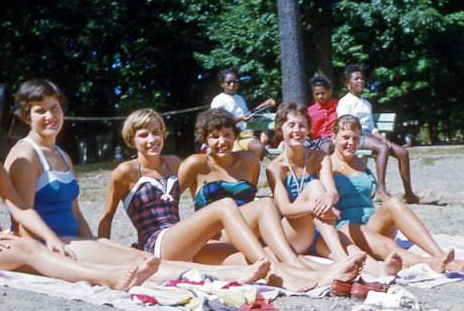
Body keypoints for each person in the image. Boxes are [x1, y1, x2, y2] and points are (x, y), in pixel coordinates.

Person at [3, 80, 267, 286]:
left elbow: (76, 212)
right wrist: (41, 258)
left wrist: (95, 242)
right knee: (142, 259)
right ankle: (229, 274)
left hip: (78, 239)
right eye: (40, 111)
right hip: (55, 244)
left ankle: (244, 270)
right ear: (27, 116)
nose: (50, 116)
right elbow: (23, 218)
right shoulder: (26, 155)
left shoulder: (63, 156)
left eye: (55, 108)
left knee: (146, 260)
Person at [99, 108, 353, 291]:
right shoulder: (126, 171)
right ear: (132, 138)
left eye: (156, 133)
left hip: (185, 243)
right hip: (156, 243)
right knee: (224, 205)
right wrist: (105, 254)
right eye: (144, 135)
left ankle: (315, 273)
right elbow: (107, 215)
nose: (152, 139)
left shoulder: (174, 163)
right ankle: (283, 272)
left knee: (249, 257)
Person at [0, 95, 154, 291]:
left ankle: (115, 272)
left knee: (41, 257)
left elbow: (21, 208)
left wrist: (51, 239)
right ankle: (107, 278)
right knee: (29, 248)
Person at [179, 108, 364, 282]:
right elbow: (170, 199)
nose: (222, 142)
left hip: (249, 233)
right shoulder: (195, 163)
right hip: (217, 236)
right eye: (214, 137)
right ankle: (313, 270)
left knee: (311, 191)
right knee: (267, 212)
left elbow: (249, 201)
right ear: (204, 138)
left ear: (235, 136)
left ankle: (339, 267)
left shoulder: (249, 161)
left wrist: (328, 199)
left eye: (227, 135)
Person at [266, 103, 401, 277]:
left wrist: (329, 198)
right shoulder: (275, 167)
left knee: (348, 246)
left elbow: (332, 192)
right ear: (280, 130)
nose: (297, 130)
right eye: (291, 125)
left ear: (308, 129)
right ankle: (341, 259)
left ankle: (378, 269)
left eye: (302, 125)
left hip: (319, 228)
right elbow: (285, 209)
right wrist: (318, 205)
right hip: (293, 232)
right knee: (315, 187)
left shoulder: (319, 158)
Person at [329, 115, 464, 273]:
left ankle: (440, 255)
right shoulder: (326, 165)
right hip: (345, 229)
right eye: (345, 138)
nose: (351, 143)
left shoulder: (361, 162)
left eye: (355, 138)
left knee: (394, 202)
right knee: (387, 245)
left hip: (371, 223)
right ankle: (428, 263)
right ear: (334, 138)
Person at [336, 64, 419, 203]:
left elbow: (372, 128)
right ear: (347, 83)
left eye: (362, 78)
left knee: (402, 152)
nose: (360, 81)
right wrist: (367, 136)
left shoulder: (366, 103)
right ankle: (381, 190)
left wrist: (382, 138)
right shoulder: (345, 102)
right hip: (356, 137)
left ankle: (409, 193)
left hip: (369, 136)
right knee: (382, 148)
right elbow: (345, 126)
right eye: (356, 79)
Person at [210, 67, 276, 161]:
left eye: (235, 81)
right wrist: (240, 119)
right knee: (237, 158)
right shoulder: (218, 100)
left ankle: (253, 173)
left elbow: (248, 114)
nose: (232, 84)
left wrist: (265, 104)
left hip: (243, 135)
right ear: (222, 84)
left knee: (259, 148)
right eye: (229, 82)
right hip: (227, 136)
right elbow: (216, 121)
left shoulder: (240, 99)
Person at [306, 72, 337, 154]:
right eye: (317, 94)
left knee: (327, 146)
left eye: (323, 93)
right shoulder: (310, 111)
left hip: (330, 139)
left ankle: (325, 166)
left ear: (329, 92)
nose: (320, 96)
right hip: (314, 140)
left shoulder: (337, 105)